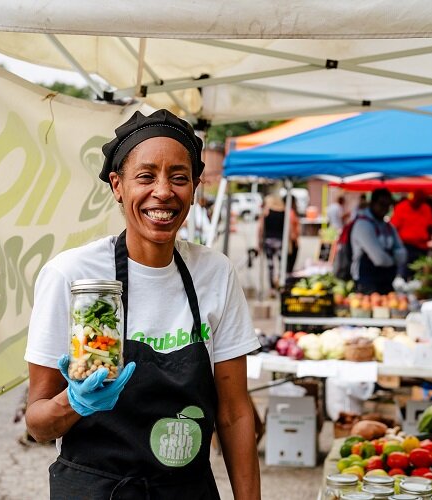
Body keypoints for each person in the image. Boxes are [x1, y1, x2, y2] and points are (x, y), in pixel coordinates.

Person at [25, 109, 261, 499]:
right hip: (96, 490)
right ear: (117, 185)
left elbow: (234, 413)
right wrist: (74, 401)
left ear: (196, 186)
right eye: (146, 176)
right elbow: (37, 424)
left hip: (187, 491)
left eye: (179, 178)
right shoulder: (72, 276)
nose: (164, 192)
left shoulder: (215, 273)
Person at [350, 188, 406, 294]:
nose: (385, 208)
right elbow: (379, 258)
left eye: (388, 205)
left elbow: (402, 254)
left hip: (386, 282)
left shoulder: (388, 227)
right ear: (373, 203)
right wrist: (393, 259)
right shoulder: (363, 225)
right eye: (382, 204)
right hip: (367, 283)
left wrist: (392, 258)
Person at [390, 189, 432, 277]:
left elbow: (430, 226)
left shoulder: (426, 208)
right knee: (403, 273)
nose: (418, 202)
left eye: (421, 200)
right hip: (406, 246)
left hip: (422, 247)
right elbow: (394, 228)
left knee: (421, 274)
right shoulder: (401, 207)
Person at [258, 193, 299, 290]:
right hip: (280, 241)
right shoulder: (284, 212)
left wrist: (259, 242)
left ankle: (272, 287)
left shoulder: (266, 212)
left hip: (268, 241)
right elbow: (288, 229)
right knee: (282, 265)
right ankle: (280, 283)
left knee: (270, 265)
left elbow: (260, 228)